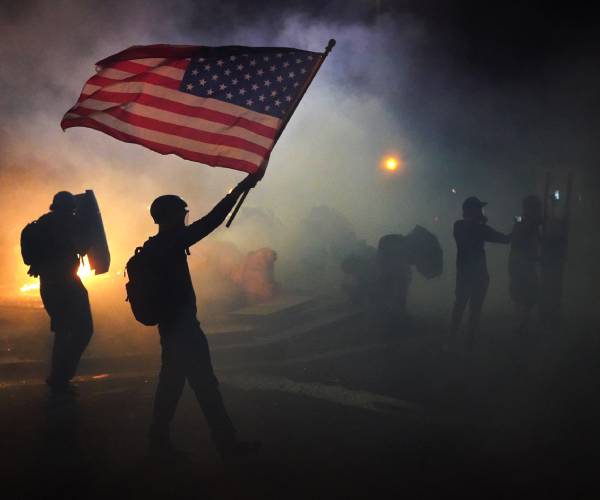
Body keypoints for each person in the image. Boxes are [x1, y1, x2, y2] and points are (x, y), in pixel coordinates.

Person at [145, 173, 261, 458]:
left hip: (171, 327)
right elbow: (211, 221)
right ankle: (226, 443)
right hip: (183, 329)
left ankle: (159, 441)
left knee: (172, 386)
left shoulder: (153, 246)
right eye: (181, 214)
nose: (185, 218)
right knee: (205, 386)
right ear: (171, 216)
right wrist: (237, 191)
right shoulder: (171, 242)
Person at [35, 191, 93, 394]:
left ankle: (58, 377)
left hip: (48, 284)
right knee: (84, 329)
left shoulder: (42, 223)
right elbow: (84, 247)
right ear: (70, 208)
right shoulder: (69, 223)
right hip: (68, 284)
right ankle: (61, 376)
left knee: (63, 331)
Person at [450, 196, 510, 348]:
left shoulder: (459, 225)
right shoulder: (478, 228)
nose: (482, 212)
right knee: (473, 309)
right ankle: (467, 341)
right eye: (479, 209)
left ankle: (453, 339)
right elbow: (504, 239)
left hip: (465, 273)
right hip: (477, 274)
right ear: (473, 211)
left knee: (461, 306)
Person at [509, 195, 542, 336]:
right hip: (520, 263)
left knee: (527, 295)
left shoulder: (528, 221)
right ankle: (520, 326)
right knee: (523, 294)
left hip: (523, 263)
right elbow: (519, 240)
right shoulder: (521, 220)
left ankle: (521, 325)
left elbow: (538, 239)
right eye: (536, 208)